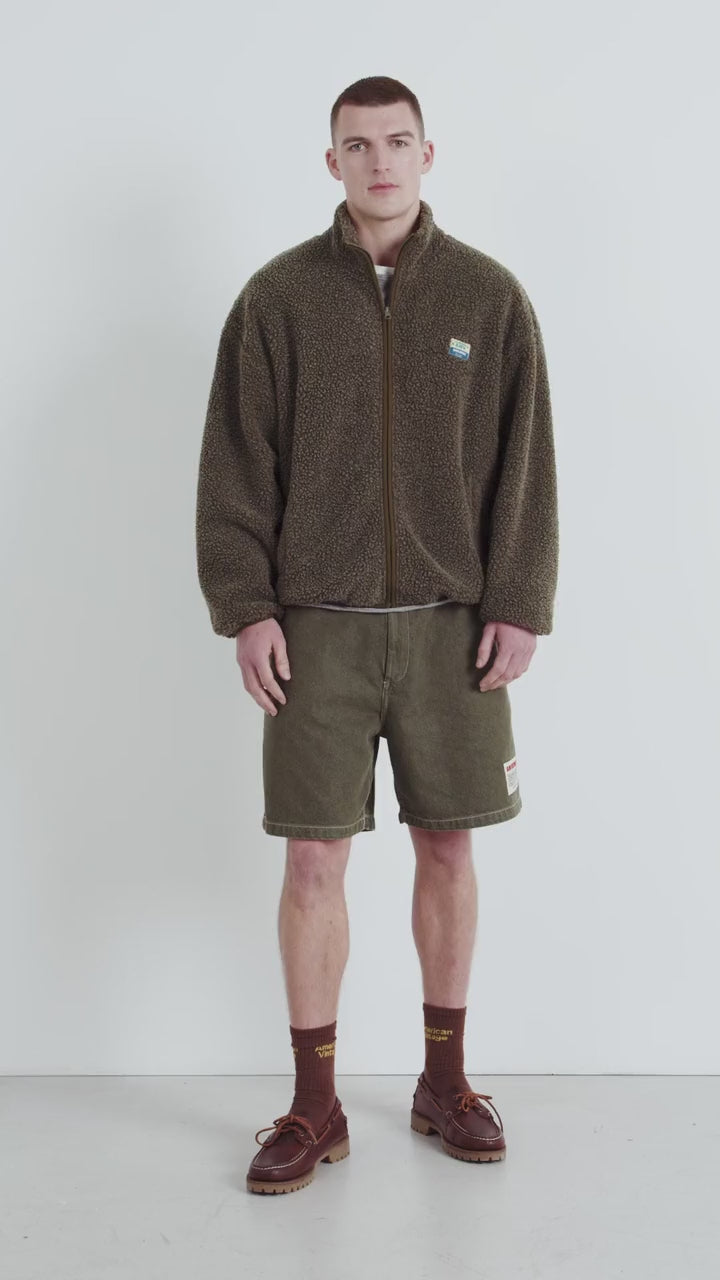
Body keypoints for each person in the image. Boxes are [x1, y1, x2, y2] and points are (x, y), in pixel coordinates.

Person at [195, 75, 559, 1195]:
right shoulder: (279, 300)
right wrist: (246, 607)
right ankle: (314, 1105)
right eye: (359, 146)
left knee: (449, 847)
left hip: (454, 630)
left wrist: (520, 598)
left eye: (398, 142)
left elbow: (526, 461)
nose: (381, 162)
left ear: (427, 153)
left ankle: (444, 1082)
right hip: (320, 631)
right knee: (314, 857)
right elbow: (236, 464)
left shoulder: (488, 297)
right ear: (333, 163)